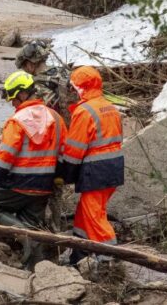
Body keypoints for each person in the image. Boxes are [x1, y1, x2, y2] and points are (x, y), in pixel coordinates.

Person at [0, 70, 66, 267]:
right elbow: (64, 152)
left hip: (18, 182)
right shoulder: (56, 118)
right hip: (45, 184)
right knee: (32, 223)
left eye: (13, 98)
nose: (12, 103)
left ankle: (23, 236)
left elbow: (5, 156)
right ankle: (35, 269)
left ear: (21, 94)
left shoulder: (17, 120)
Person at [56, 65, 124, 264]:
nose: (72, 91)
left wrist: (64, 175)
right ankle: (80, 253)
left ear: (80, 88)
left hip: (97, 170)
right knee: (86, 212)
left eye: (74, 87)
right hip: (114, 167)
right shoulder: (110, 107)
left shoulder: (84, 111)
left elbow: (74, 151)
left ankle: (109, 260)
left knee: (94, 215)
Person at [16, 39, 74, 120]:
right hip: (79, 117)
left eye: (24, 67)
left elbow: (46, 116)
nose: (25, 70)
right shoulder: (63, 71)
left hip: (63, 126)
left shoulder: (38, 85)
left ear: (30, 65)